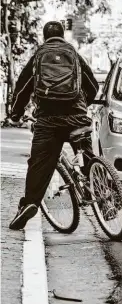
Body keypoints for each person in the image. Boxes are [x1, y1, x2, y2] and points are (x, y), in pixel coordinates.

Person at [7, 21, 99, 230]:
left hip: (48, 122)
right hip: (76, 118)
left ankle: (30, 204)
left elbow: (22, 89)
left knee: (39, 165)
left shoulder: (39, 56)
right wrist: (83, 105)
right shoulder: (73, 54)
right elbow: (93, 86)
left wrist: (15, 115)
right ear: (63, 35)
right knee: (86, 157)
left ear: (44, 36)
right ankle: (103, 195)